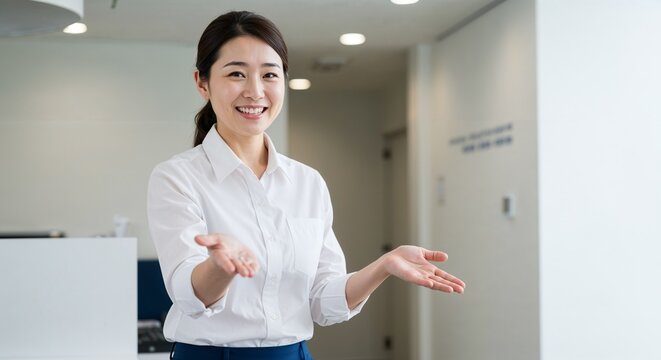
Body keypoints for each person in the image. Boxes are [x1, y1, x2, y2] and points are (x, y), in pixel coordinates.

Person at [147, 10, 465, 360]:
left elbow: (323, 301)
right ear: (202, 82)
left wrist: (383, 266)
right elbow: (186, 294)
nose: (255, 91)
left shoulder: (307, 183)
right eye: (236, 73)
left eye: (270, 74)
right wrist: (220, 267)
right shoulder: (177, 178)